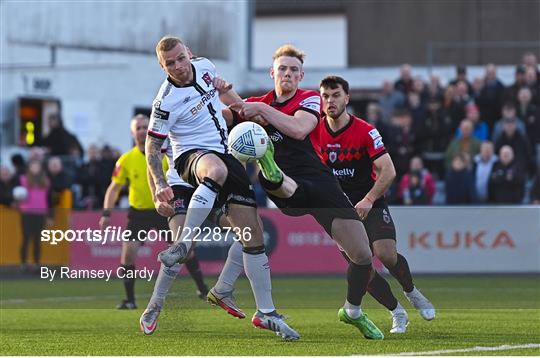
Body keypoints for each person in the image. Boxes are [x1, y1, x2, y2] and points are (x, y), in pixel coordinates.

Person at [145, 36, 299, 340]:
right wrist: (158, 185)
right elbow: (151, 147)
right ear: (162, 67)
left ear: (189, 53)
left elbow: (226, 102)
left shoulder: (206, 67)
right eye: (169, 63)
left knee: (252, 236)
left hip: (225, 158)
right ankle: (154, 305)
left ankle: (265, 312)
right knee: (185, 243)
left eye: (180, 58)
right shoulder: (164, 102)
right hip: (187, 167)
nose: (177, 66)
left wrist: (236, 101)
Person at [228, 45, 386, 340]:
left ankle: (351, 311)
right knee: (283, 182)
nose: (287, 73)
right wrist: (220, 93)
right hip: (289, 186)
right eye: (282, 69)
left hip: (320, 180)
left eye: (293, 70)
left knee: (363, 254)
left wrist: (260, 110)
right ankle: (269, 165)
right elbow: (230, 114)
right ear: (272, 73)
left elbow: (300, 129)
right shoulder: (255, 102)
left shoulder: (309, 98)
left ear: (300, 76)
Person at [316, 76, 435, 329]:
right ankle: (397, 312)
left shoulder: (365, 131)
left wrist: (369, 199)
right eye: (325, 96)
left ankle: (412, 291)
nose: (330, 101)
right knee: (363, 268)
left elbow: (388, 171)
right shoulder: (313, 131)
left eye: (335, 95)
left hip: (371, 201)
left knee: (385, 254)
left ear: (347, 98)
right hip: (338, 210)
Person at [100, 114, 209, 309]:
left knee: (185, 251)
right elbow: (114, 188)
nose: (142, 131)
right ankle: (130, 300)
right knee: (127, 256)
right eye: (138, 128)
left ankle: (202, 288)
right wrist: (106, 213)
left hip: (165, 210)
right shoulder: (126, 160)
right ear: (133, 132)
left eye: (144, 127)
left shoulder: (166, 154)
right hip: (139, 213)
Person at [140, 138, 242, 334]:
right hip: (179, 190)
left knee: (247, 234)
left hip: (211, 188)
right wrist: (156, 197)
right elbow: (152, 159)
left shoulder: (215, 117)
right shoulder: (172, 118)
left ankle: (222, 290)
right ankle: (154, 306)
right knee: (182, 248)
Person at [16, 159, 53, 270]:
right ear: (29, 168)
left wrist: (50, 216)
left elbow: (49, 199)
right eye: (33, 166)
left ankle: (36, 262)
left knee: (38, 239)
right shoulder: (23, 179)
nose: (35, 168)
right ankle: (23, 262)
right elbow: (17, 194)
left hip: (41, 212)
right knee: (26, 237)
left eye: (37, 166)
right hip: (27, 212)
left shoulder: (46, 181)